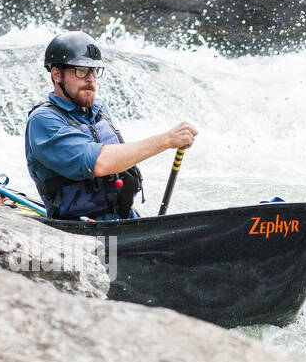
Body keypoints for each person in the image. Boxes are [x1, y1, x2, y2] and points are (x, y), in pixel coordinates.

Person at [24, 31, 197, 220]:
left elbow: (119, 161)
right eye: (81, 71)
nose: (90, 78)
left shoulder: (99, 109)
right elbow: (100, 163)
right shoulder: (43, 120)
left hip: (122, 219)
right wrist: (168, 139)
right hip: (83, 230)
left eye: (94, 71)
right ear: (57, 74)